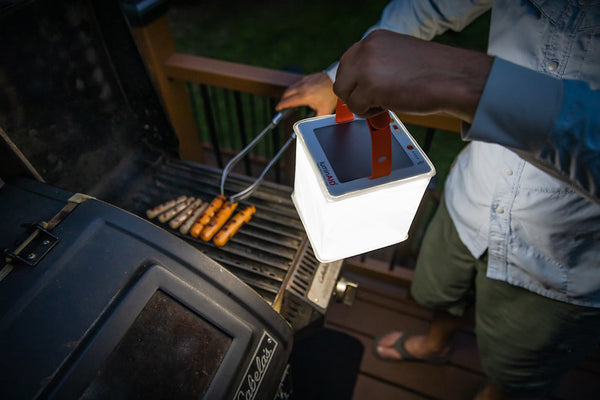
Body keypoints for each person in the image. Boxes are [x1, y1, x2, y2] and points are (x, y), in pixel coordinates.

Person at [276, 1, 600, 399]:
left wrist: (468, 82)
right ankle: (436, 344)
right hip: (474, 194)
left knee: (519, 368)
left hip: (567, 252)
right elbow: (430, 4)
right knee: (439, 289)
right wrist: (343, 74)